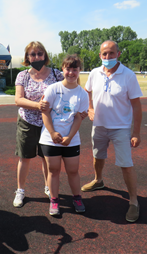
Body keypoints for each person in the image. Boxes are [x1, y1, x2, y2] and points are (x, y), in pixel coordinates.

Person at [81, 40, 143, 223]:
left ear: (119, 54)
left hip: (121, 128)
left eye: (111, 53)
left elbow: (137, 106)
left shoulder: (128, 76)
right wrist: (89, 108)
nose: (107, 57)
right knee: (97, 156)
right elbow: (87, 92)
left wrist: (136, 132)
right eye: (104, 54)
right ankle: (98, 180)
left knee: (126, 164)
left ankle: (134, 202)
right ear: (100, 55)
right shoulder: (94, 73)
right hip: (99, 126)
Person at [13, 41, 64, 208]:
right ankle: (20, 190)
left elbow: (67, 93)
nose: (36, 57)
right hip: (28, 122)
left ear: (45, 55)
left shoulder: (57, 74)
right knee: (25, 158)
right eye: (32, 54)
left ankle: (48, 187)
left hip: (49, 124)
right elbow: (18, 99)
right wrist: (37, 106)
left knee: (47, 159)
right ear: (27, 57)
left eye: (40, 54)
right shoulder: (23, 76)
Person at [40, 55, 89, 216]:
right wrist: (53, 133)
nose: (71, 73)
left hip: (72, 140)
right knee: (53, 170)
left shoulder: (82, 94)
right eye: (68, 69)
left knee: (73, 171)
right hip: (50, 139)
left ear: (79, 71)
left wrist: (69, 137)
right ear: (63, 69)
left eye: (75, 69)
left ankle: (77, 198)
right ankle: (54, 200)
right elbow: (45, 113)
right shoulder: (53, 89)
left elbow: (78, 118)